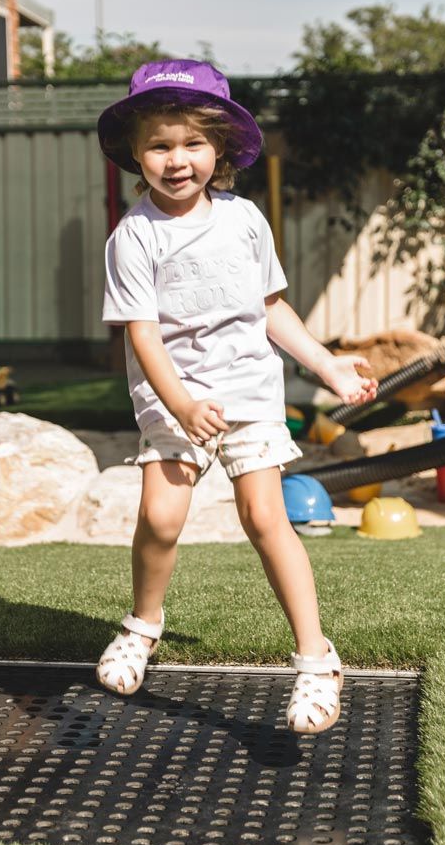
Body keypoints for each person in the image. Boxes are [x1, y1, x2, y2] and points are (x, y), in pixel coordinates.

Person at [95, 59, 378, 734]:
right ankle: (144, 624)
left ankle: (316, 660)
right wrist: (184, 406)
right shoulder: (133, 237)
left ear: (219, 147)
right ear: (135, 152)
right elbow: (144, 338)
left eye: (192, 143)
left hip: (249, 392)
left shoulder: (244, 219)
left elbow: (271, 309)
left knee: (264, 517)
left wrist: (329, 369)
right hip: (173, 400)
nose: (176, 159)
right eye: (160, 145)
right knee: (162, 521)